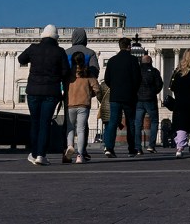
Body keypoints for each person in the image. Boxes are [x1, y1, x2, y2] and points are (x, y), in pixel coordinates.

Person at [17, 24, 70, 166]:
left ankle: (34, 153)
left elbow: (21, 59)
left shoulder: (33, 48)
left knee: (35, 123)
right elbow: (65, 72)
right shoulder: (60, 51)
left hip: (33, 91)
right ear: (56, 38)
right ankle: (41, 154)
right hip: (51, 92)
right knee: (45, 123)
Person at [64, 28, 100, 162]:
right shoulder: (90, 53)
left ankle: (68, 147)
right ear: (85, 39)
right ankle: (81, 153)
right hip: (84, 99)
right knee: (82, 129)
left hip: (69, 99)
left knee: (69, 127)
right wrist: (90, 91)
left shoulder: (66, 52)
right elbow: (95, 72)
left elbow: (61, 74)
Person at [102, 37, 142, 158]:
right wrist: (132, 90)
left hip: (115, 96)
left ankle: (109, 147)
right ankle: (131, 149)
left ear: (119, 46)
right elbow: (137, 79)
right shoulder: (133, 60)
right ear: (129, 46)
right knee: (131, 123)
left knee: (113, 122)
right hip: (129, 96)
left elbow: (107, 79)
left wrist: (114, 87)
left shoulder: (112, 61)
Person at [135, 54, 163, 154]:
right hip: (150, 99)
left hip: (138, 100)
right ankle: (151, 145)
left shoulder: (137, 71)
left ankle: (138, 147)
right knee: (154, 122)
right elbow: (160, 85)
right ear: (150, 62)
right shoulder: (154, 71)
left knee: (138, 124)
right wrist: (153, 92)